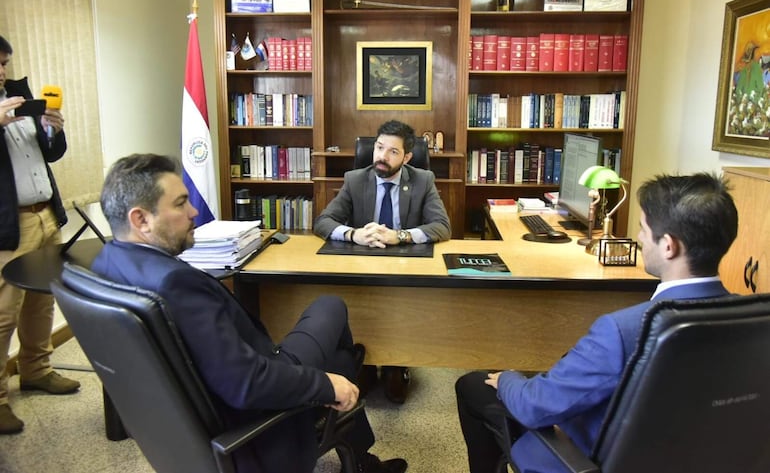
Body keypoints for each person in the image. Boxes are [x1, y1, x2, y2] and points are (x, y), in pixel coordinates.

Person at [92, 154, 407, 473]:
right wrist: (326, 386)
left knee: (339, 355)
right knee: (333, 317)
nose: (194, 211)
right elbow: (245, 384)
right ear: (140, 219)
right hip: (256, 420)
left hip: (199, 416)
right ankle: (360, 436)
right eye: (181, 203)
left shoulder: (108, 261)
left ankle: (355, 415)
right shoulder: (174, 284)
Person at [455, 172, 738, 473]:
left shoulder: (621, 331)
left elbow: (534, 407)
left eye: (643, 229)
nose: (640, 238)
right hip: (691, 454)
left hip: (587, 459)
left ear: (668, 246)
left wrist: (509, 377)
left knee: (474, 385)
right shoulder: (754, 320)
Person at [314, 120, 451, 403]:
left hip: (406, 267)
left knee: (398, 310)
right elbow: (323, 221)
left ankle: (395, 364)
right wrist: (354, 234)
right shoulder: (355, 179)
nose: (382, 156)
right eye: (378, 148)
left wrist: (399, 236)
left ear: (407, 157)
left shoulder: (423, 180)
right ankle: (365, 358)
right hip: (363, 263)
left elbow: (442, 226)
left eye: (392, 152)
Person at [0, 35, 80, 435]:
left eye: (5, 63)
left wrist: (52, 130)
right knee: (2, 313)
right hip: (8, 225)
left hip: (45, 213)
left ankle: (36, 369)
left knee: (42, 300)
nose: (2, 71)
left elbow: (48, 154)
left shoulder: (18, 97)